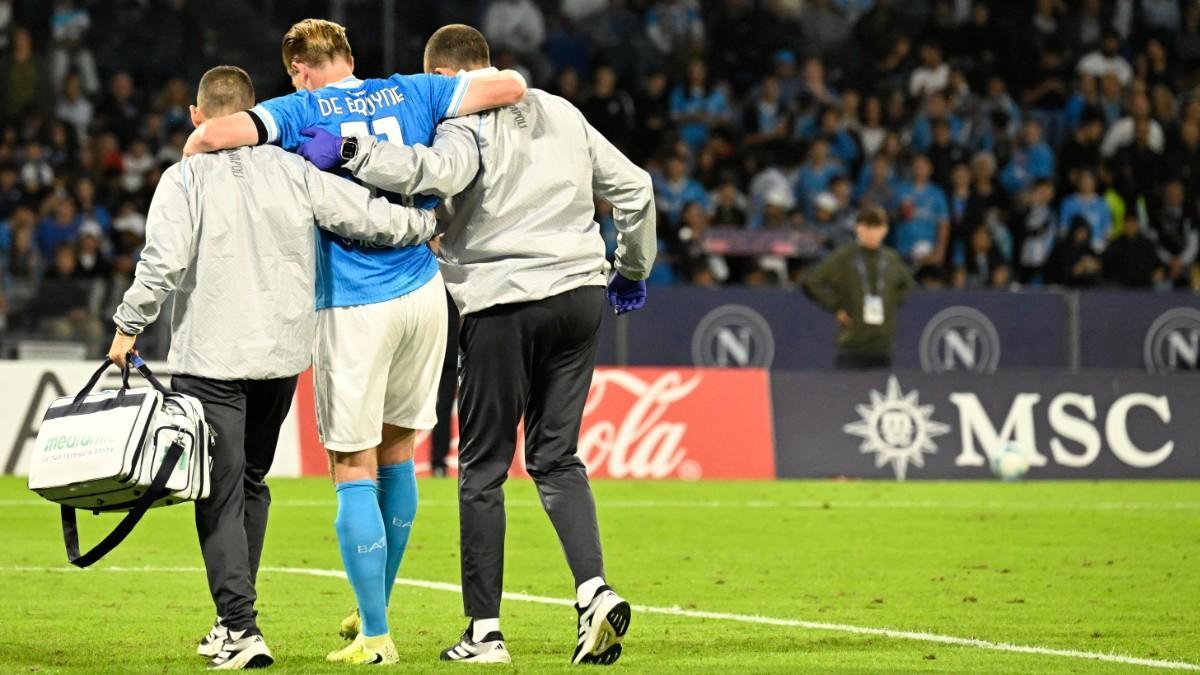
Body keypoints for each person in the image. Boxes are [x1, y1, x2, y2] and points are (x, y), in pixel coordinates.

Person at [297, 24, 655, 666]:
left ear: (445, 80)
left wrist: (349, 152)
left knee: (483, 471)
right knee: (556, 458)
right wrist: (631, 267)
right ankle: (593, 592)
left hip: (504, 302)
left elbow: (432, 172)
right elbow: (636, 188)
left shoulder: (460, 124)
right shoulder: (563, 111)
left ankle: (485, 633)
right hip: (580, 296)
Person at [183, 19, 527, 665]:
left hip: (353, 301)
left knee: (354, 465)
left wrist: (192, 150)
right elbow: (508, 85)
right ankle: (376, 602)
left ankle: (375, 634)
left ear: (300, 69)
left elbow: (217, 133)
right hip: (425, 291)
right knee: (400, 455)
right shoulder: (413, 90)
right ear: (350, 54)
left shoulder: (300, 107)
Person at [107, 65, 438, 670]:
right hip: (281, 359)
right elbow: (365, 214)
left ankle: (241, 629)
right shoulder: (293, 169)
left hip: (211, 358)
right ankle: (228, 621)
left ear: (198, 118)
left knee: (220, 493)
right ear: (252, 114)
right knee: (251, 483)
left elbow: (162, 262)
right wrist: (426, 225)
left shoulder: (183, 180)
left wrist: (129, 326)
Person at [802, 207, 915, 369]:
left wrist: (889, 303)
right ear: (858, 228)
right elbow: (811, 282)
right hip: (852, 343)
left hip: (882, 345)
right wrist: (836, 306)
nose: (871, 233)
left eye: (876, 227)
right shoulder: (844, 257)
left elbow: (908, 285)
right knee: (848, 391)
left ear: (885, 230)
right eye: (866, 227)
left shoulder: (891, 259)